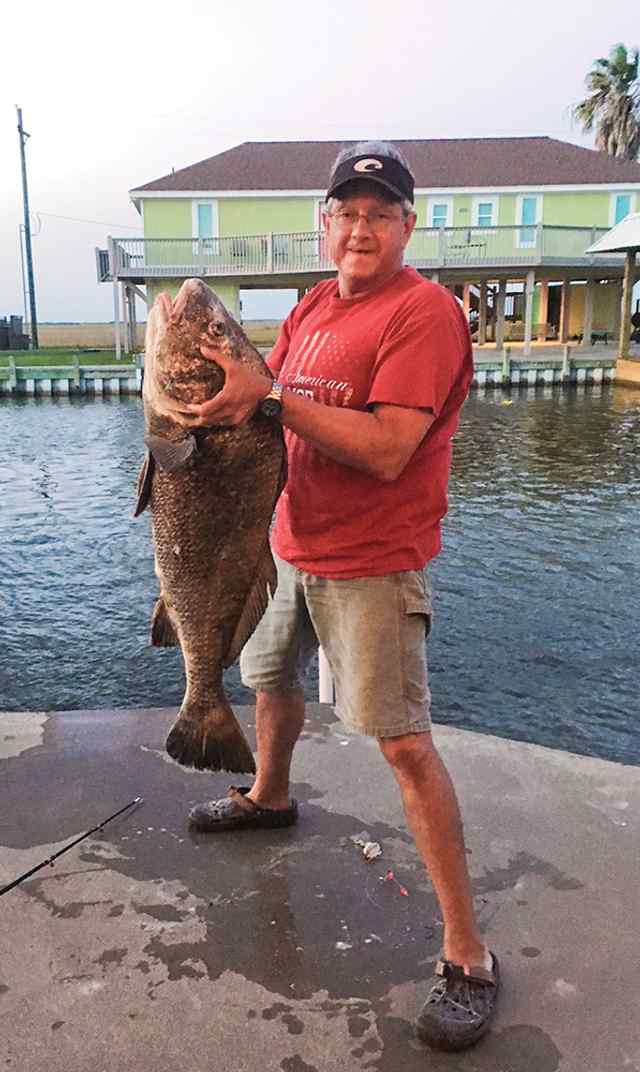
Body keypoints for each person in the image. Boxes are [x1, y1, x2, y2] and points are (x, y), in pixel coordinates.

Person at [178, 141, 500, 1052]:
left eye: (379, 214)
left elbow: (390, 448)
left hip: (371, 561)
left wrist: (269, 399)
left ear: (407, 225)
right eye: (346, 212)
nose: (361, 228)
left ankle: (468, 954)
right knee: (267, 678)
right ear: (325, 223)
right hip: (285, 541)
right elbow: (259, 394)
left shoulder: (424, 314)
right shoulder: (316, 304)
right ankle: (270, 795)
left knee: (402, 744)